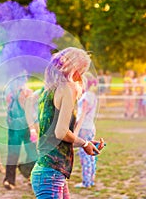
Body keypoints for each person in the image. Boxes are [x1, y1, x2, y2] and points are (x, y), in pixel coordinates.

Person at [31, 47, 105, 198]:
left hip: (51, 172)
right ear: (74, 69)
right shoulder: (67, 88)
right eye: (81, 71)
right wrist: (84, 144)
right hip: (50, 174)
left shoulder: (49, 90)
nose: (81, 77)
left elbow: (57, 135)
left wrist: (86, 143)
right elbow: (61, 132)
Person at [3, 74, 38, 190]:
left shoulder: (27, 93)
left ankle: (30, 176)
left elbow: (29, 112)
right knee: (13, 154)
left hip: (26, 127)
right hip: (14, 128)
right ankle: (9, 180)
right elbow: (9, 110)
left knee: (32, 153)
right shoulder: (11, 94)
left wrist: (33, 129)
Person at [74, 72, 100, 188]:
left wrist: (75, 131)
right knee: (91, 154)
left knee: (84, 155)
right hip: (90, 127)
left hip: (84, 128)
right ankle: (91, 179)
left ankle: (86, 182)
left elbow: (82, 115)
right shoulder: (92, 95)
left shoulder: (85, 97)